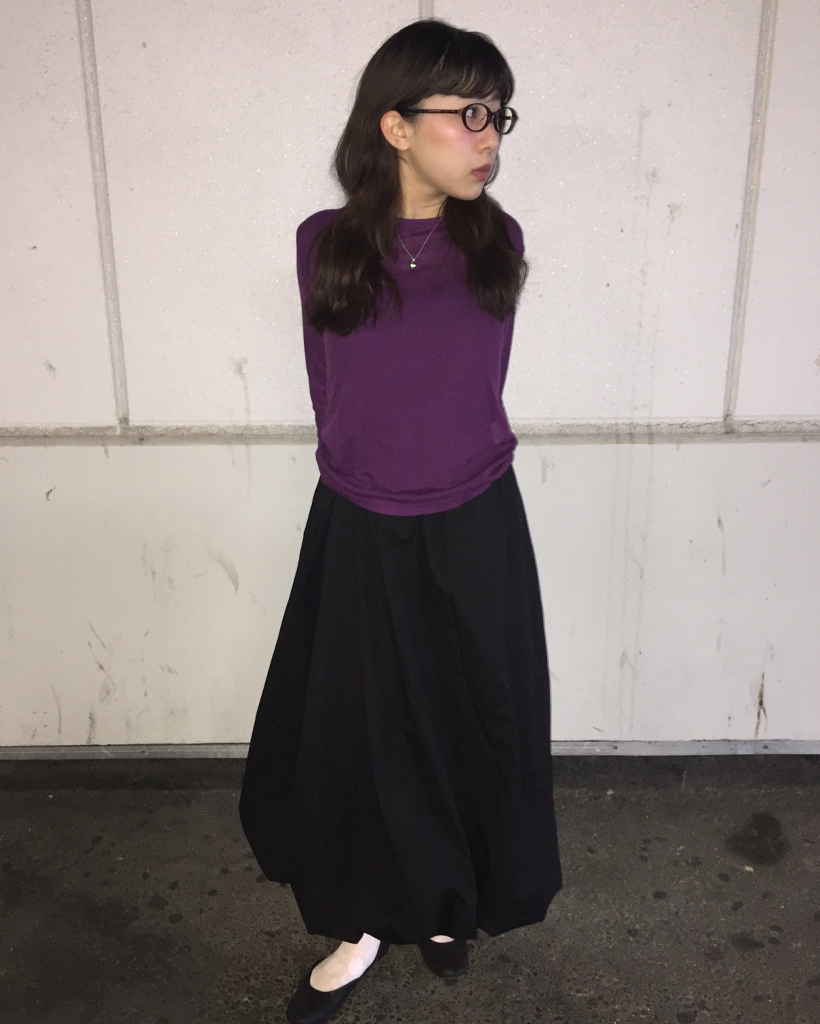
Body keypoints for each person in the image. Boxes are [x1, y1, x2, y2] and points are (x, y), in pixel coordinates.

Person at [239, 18, 562, 1024]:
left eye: (497, 115)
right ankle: (362, 919)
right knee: (363, 735)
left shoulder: (498, 243)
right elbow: (334, 389)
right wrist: (367, 479)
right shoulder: (323, 246)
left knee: (469, 720)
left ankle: (448, 902)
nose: (489, 136)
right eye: (468, 113)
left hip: (475, 524)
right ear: (394, 124)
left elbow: (469, 388)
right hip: (360, 527)